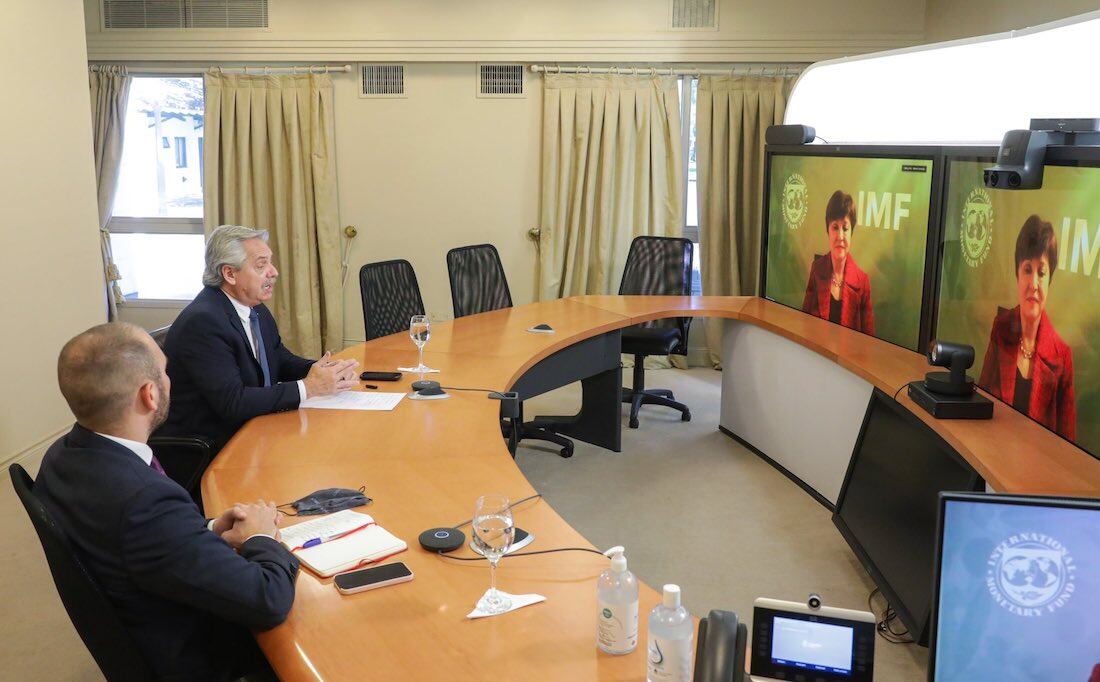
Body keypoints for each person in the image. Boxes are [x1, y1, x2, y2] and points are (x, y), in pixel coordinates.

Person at [34, 323, 299, 680]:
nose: (170, 379)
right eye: (165, 371)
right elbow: (268, 601)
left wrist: (206, 530)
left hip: (147, 604)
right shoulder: (146, 502)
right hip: (197, 654)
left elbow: (144, 543)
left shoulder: (59, 457)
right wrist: (261, 537)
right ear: (150, 395)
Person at [157, 225, 359, 450]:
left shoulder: (254, 307)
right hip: (212, 447)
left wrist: (326, 372)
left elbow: (279, 359)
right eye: (261, 265)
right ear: (229, 274)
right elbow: (233, 402)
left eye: (270, 263)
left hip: (254, 429)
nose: (273, 272)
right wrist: (309, 387)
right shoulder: (203, 322)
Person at [978, 215, 1076, 440]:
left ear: (1050, 280)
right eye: (1027, 270)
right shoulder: (1001, 328)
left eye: (1041, 273)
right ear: (1017, 275)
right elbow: (981, 403)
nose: (1033, 284)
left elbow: (1068, 446)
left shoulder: (1063, 357)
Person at [801, 190, 875, 334]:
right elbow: (805, 323)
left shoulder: (863, 282)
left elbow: (869, 343)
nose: (840, 236)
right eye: (835, 227)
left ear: (851, 232)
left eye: (845, 228)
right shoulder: (817, 269)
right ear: (828, 231)